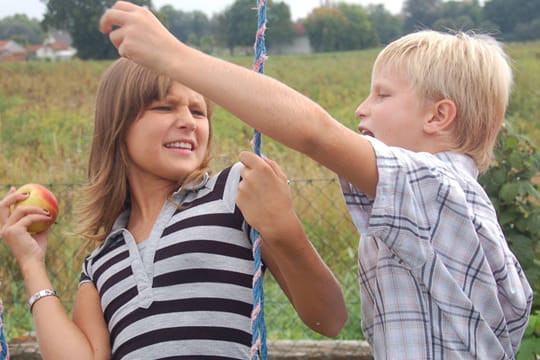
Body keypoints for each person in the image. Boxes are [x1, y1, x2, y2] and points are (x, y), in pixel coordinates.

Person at [97, 2, 535, 359]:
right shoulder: (426, 215)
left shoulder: (434, 187)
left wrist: (170, 55)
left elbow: (315, 134)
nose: (362, 109)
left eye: (381, 95)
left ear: (438, 116)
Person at [0, 57, 347, 359]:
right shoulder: (102, 262)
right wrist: (32, 264)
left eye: (198, 111)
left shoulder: (234, 192)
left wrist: (283, 226)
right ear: (118, 126)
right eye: (165, 107)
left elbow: (329, 317)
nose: (188, 121)